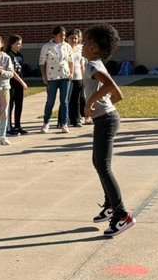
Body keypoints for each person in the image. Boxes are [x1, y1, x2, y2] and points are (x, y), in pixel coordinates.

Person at [81, 22, 134, 237]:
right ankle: (110, 205)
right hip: (107, 117)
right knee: (99, 163)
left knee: (103, 166)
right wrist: (103, 104)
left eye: (86, 42)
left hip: (106, 120)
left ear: (94, 47)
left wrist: (90, 103)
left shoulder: (93, 66)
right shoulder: (97, 63)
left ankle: (122, 215)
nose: (82, 45)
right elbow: (117, 95)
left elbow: (110, 85)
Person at [38, 24, 72, 133]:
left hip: (65, 75)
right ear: (55, 35)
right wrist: (44, 76)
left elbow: (70, 60)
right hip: (52, 77)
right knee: (50, 101)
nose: (63, 37)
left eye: (64, 35)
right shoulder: (46, 47)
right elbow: (42, 63)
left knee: (64, 101)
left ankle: (64, 123)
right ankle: (46, 122)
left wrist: (71, 72)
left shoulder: (67, 46)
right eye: (61, 35)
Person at [6, 34, 28, 135]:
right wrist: (22, 82)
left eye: (20, 43)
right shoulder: (8, 55)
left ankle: (18, 126)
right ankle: (8, 127)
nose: (20, 45)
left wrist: (21, 82)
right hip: (11, 84)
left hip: (19, 84)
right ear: (11, 43)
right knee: (10, 106)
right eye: (18, 43)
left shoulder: (20, 55)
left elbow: (20, 71)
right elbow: (12, 72)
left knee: (19, 105)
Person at [65, 27, 86, 129]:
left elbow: (81, 63)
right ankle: (64, 119)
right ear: (67, 39)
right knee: (67, 99)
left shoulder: (79, 49)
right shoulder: (65, 48)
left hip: (79, 77)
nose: (74, 40)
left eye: (76, 38)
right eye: (71, 38)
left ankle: (77, 119)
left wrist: (83, 76)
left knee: (77, 100)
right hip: (68, 77)